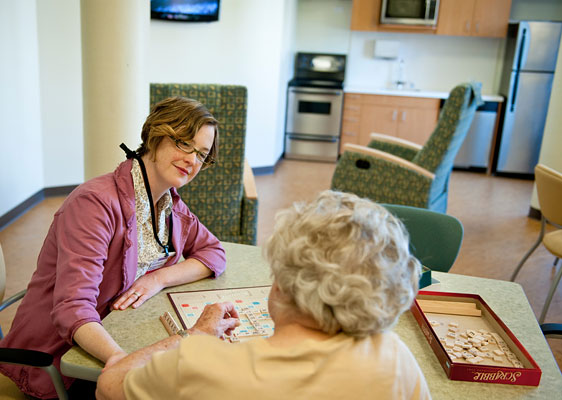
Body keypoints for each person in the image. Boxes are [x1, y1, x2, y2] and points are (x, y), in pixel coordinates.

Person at [96, 190, 431, 400]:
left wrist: (191, 335)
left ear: (283, 284)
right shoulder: (394, 356)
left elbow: (109, 383)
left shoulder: (200, 364)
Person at [0, 97, 226, 399]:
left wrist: (156, 279)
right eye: (184, 144)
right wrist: (123, 361)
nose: (193, 161)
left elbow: (214, 253)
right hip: (61, 361)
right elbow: (72, 309)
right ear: (157, 135)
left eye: (202, 154)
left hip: (118, 328)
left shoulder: (168, 203)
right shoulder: (94, 203)